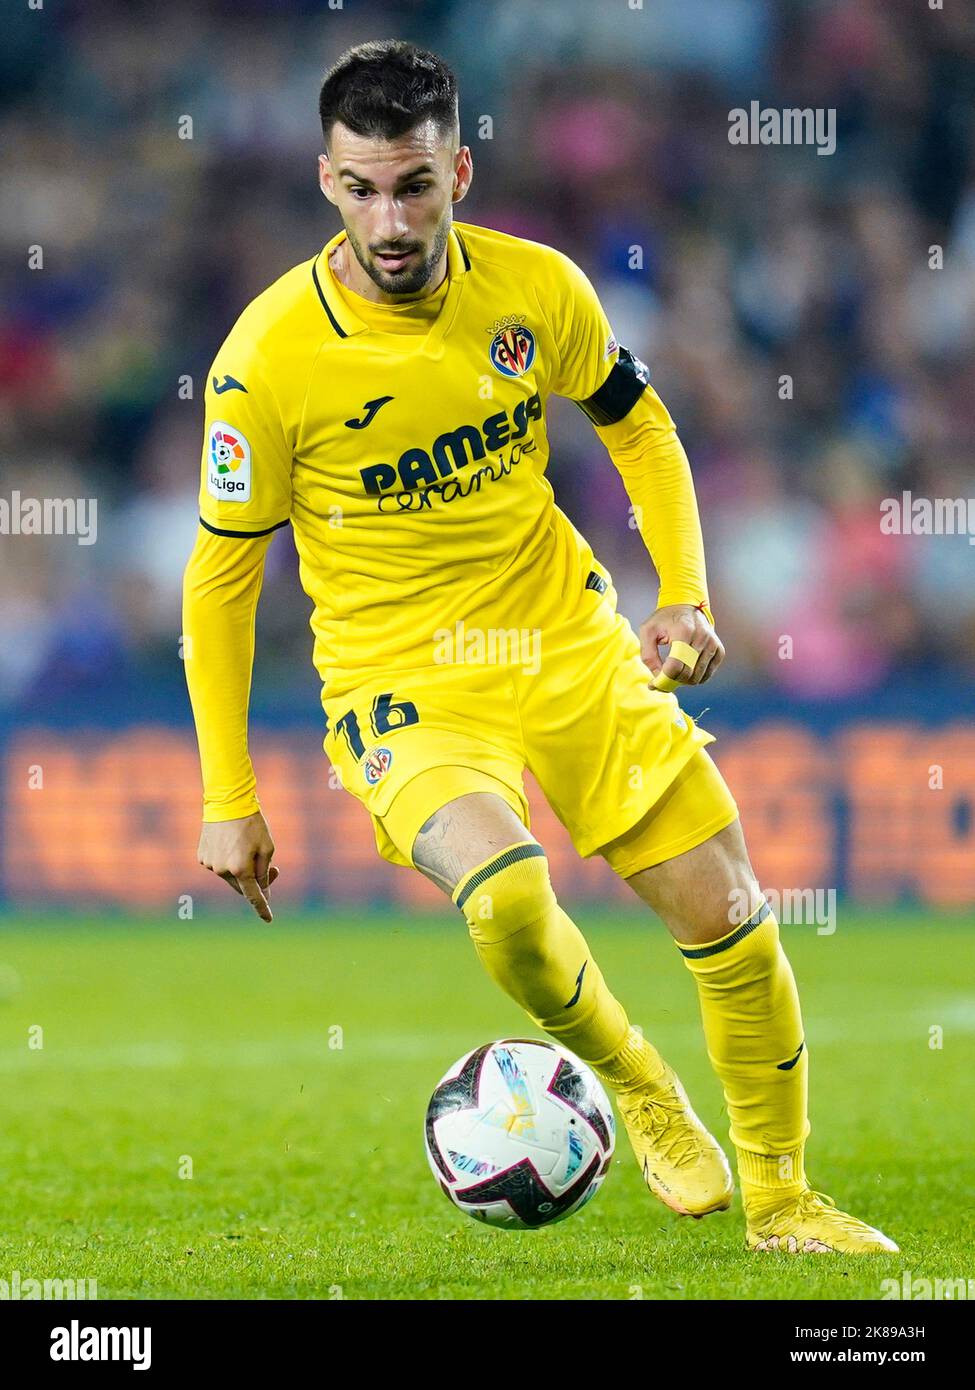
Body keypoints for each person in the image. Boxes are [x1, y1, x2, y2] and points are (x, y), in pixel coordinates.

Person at [182, 39, 896, 1254]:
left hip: (567, 638)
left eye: (413, 184)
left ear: (460, 168)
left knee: (727, 909)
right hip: (401, 679)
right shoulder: (265, 359)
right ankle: (639, 1084)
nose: (389, 219)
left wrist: (684, 592)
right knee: (510, 899)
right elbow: (223, 579)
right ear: (323, 182)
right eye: (360, 188)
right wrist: (228, 793)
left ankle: (781, 1200)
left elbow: (642, 427)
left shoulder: (538, 288)